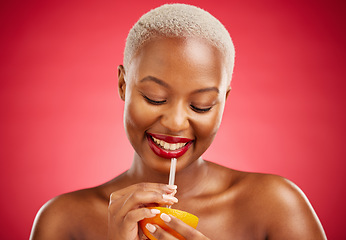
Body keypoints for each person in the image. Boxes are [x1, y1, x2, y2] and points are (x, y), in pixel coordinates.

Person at [30, 3, 327, 240]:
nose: (174, 122)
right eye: (155, 98)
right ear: (123, 85)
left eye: (201, 105)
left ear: (224, 102)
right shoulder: (63, 221)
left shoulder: (275, 206)